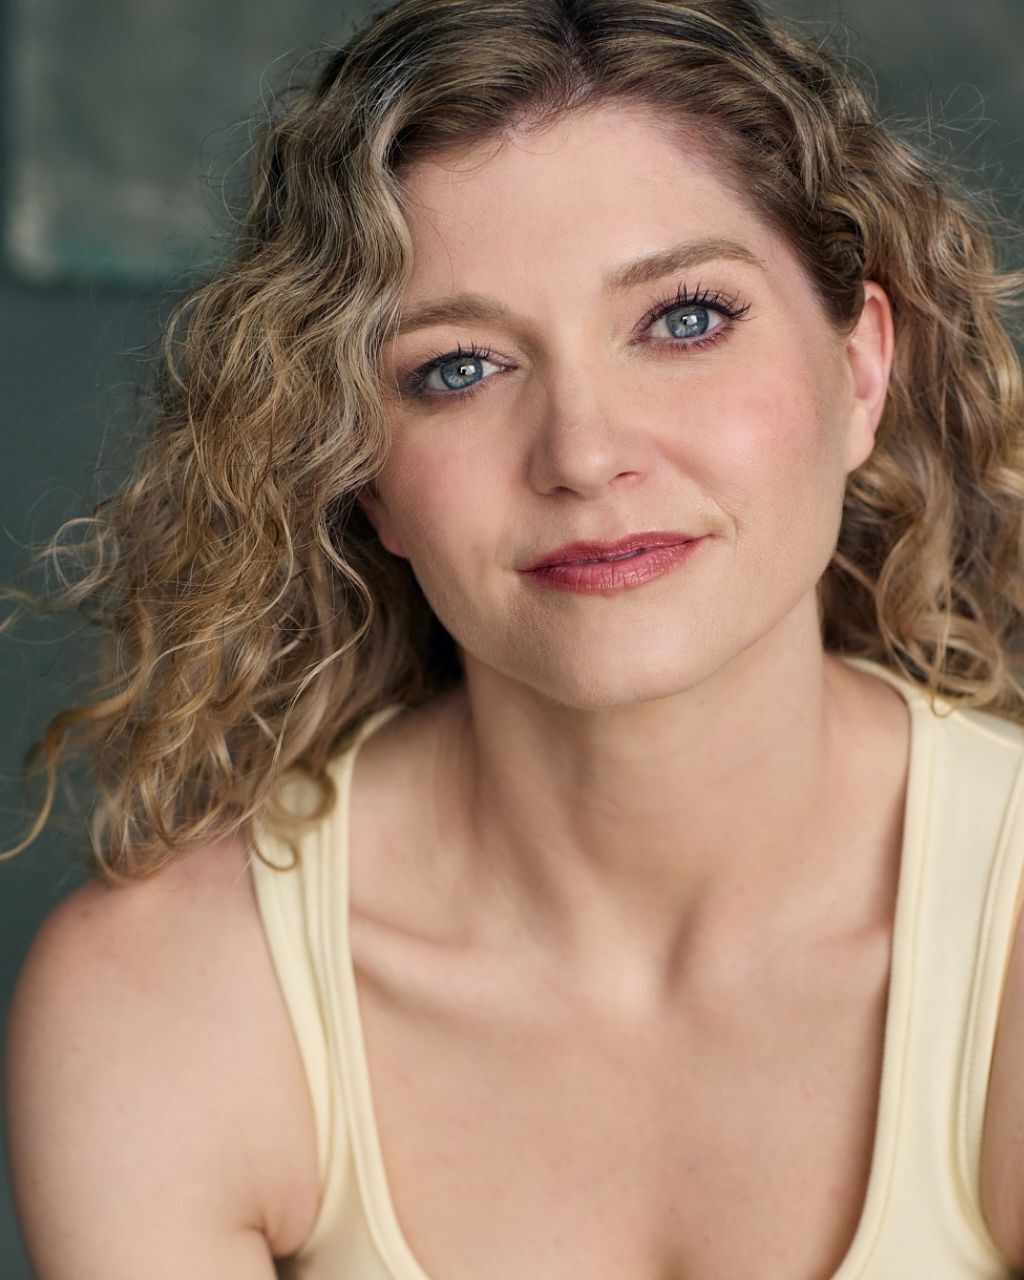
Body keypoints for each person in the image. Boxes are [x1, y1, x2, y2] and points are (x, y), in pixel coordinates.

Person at [5, 0, 1024, 1275]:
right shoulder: (171, 996)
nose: (583, 454)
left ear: (861, 369)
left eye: (684, 319)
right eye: (460, 367)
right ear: (363, 471)